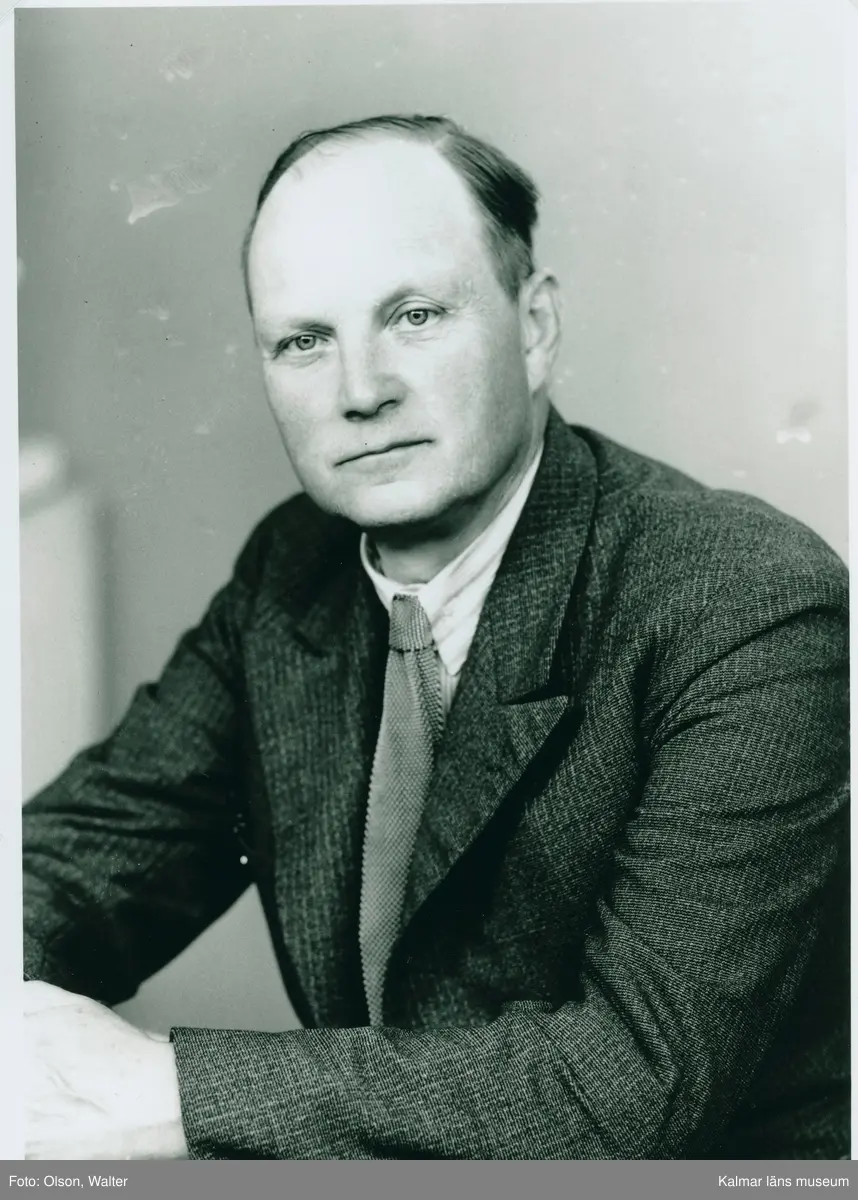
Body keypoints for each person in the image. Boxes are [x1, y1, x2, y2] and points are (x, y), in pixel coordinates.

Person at [23, 114, 848, 1161]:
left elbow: (634, 1082)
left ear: (535, 326)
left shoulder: (744, 598)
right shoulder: (294, 569)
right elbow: (82, 857)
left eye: (414, 316)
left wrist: (172, 1089)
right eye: (304, 341)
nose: (359, 391)